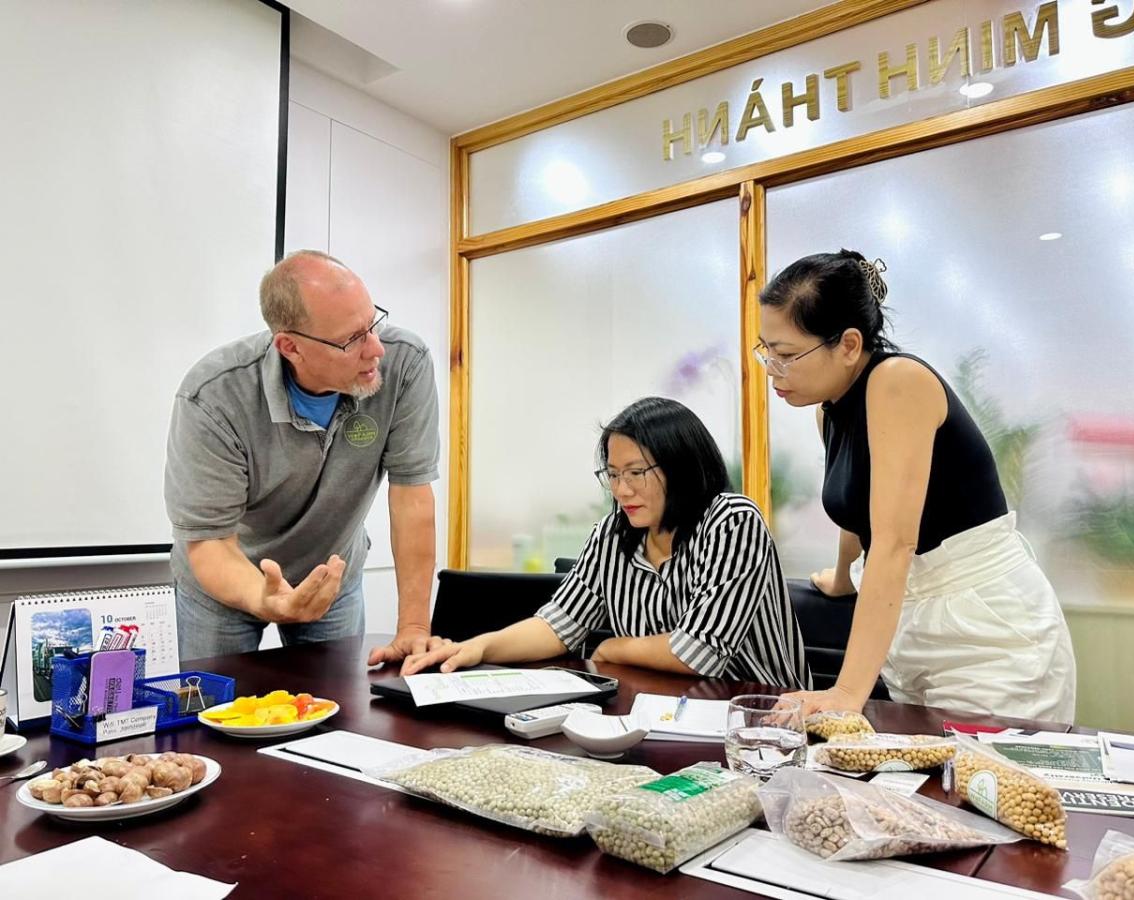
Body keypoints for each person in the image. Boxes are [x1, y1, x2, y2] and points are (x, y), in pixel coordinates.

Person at [758, 249, 1075, 722]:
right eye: (765, 350)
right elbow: (863, 514)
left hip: (985, 629)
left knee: (972, 787)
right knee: (910, 790)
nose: (771, 370)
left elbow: (894, 542)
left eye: (784, 355)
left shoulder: (897, 381)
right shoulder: (830, 411)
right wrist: (844, 578)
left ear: (847, 345)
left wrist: (845, 695)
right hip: (914, 625)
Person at [402, 397, 807, 686]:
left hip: (759, 718)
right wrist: (478, 648)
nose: (621, 490)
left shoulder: (732, 522)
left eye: (635, 472)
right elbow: (559, 624)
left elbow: (698, 652)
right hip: (656, 709)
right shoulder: (613, 533)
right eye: (612, 474)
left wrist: (614, 648)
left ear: (682, 467)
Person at [165, 249, 443, 666]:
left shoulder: (405, 363)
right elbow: (210, 541)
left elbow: (412, 497)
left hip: (331, 575)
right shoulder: (214, 396)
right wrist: (263, 597)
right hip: (228, 581)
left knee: (340, 712)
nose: (376, 349)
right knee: (214, 717)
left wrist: (415, 627)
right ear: (290, 347)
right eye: (352, 339)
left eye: (373, 324)